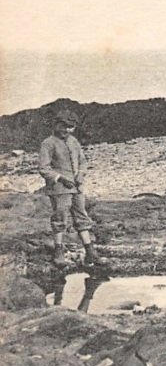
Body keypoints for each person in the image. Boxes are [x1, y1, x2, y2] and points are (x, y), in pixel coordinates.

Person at [38, 109, 107, 267]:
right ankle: (58, 252)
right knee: (60, 218)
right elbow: (43, 168)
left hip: (77, 187)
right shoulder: (48, 143)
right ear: (56, 125)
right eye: (65, 126)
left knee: (81, 217)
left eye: (71, 127)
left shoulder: (73, 141)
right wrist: (61, 178)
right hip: (59, 189)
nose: (67, 130)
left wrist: (81, 175)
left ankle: (91, 253)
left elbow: (82, 161)